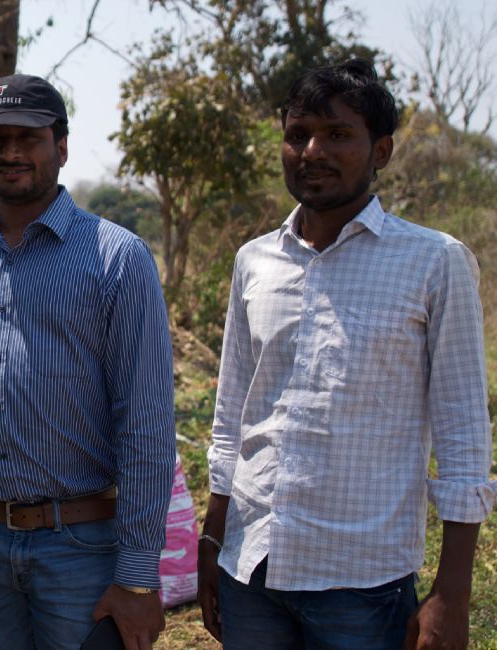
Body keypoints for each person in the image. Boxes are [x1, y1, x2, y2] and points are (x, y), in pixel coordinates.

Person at [200, 59, 494, 650]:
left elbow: (464, 438)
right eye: (298, 133)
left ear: (380, 151)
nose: (312, 151)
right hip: (251, 568)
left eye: (338, 135)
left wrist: (451, 594)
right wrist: (211, 544)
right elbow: (232, 416)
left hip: (362, 585)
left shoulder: (435, 262)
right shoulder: (254, 261)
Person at [0, 74, 176, 650]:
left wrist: (136, 579)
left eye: (28, 138)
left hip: (80, 547)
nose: (10, 152)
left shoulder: (116, 258)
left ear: (60, 146)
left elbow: (147, 427)